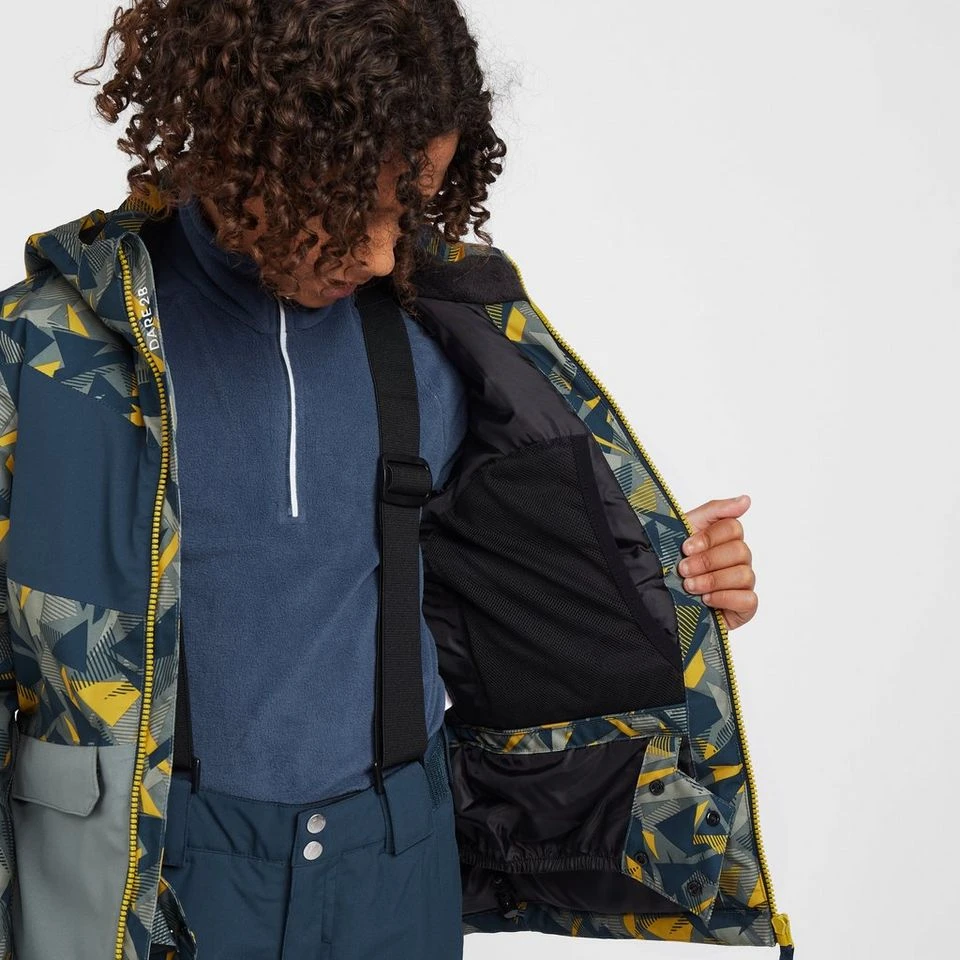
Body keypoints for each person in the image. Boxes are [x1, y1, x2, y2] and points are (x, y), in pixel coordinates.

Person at [0, 2, 782, 960]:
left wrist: (668, 571)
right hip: (146, 880)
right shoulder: (47, 356)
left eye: (406, 211)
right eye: (353, 208)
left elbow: (516, 568)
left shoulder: (439, 335)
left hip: (394, 877)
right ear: (251, 153)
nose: (380, 252)